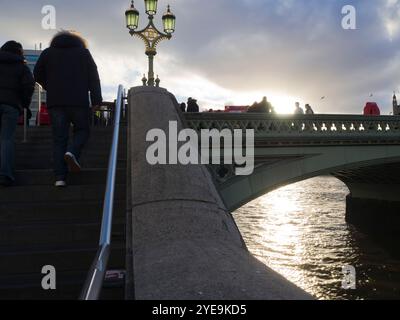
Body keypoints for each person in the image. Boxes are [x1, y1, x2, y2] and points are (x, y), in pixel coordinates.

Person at [34, 31, 102, 188]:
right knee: (82, 130)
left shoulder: (48, 53)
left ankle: (60, 177)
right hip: (78, 101)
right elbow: (94, 77)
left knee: (59, 138)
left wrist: (49, 85)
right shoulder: (83, 53)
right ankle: (72, 151)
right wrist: (96, 100)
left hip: (56, 102)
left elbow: (36, 74)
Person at [0, 41, 35, 187]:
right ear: (19, 52)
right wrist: (24, 105)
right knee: (7, 139)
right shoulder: (22, 67)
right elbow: (28, 86)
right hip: (11, 105)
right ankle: (5, 175)